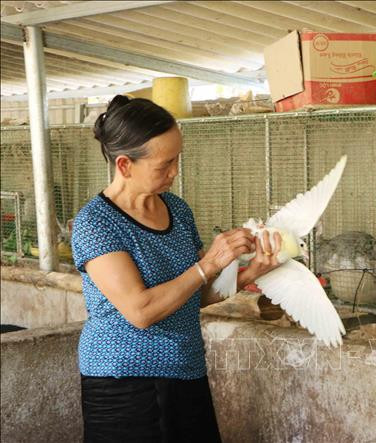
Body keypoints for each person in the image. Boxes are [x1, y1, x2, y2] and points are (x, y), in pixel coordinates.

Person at [71, 95, 281, 443]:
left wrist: (252, 272)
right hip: (123, 382)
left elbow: (195, 295)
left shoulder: (177, 210)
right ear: (124, 165)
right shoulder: (96, 223)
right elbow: (141, 311)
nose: (175, 171)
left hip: (185, 369)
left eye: (177, 158)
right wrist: (210, 262)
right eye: (164, 164)